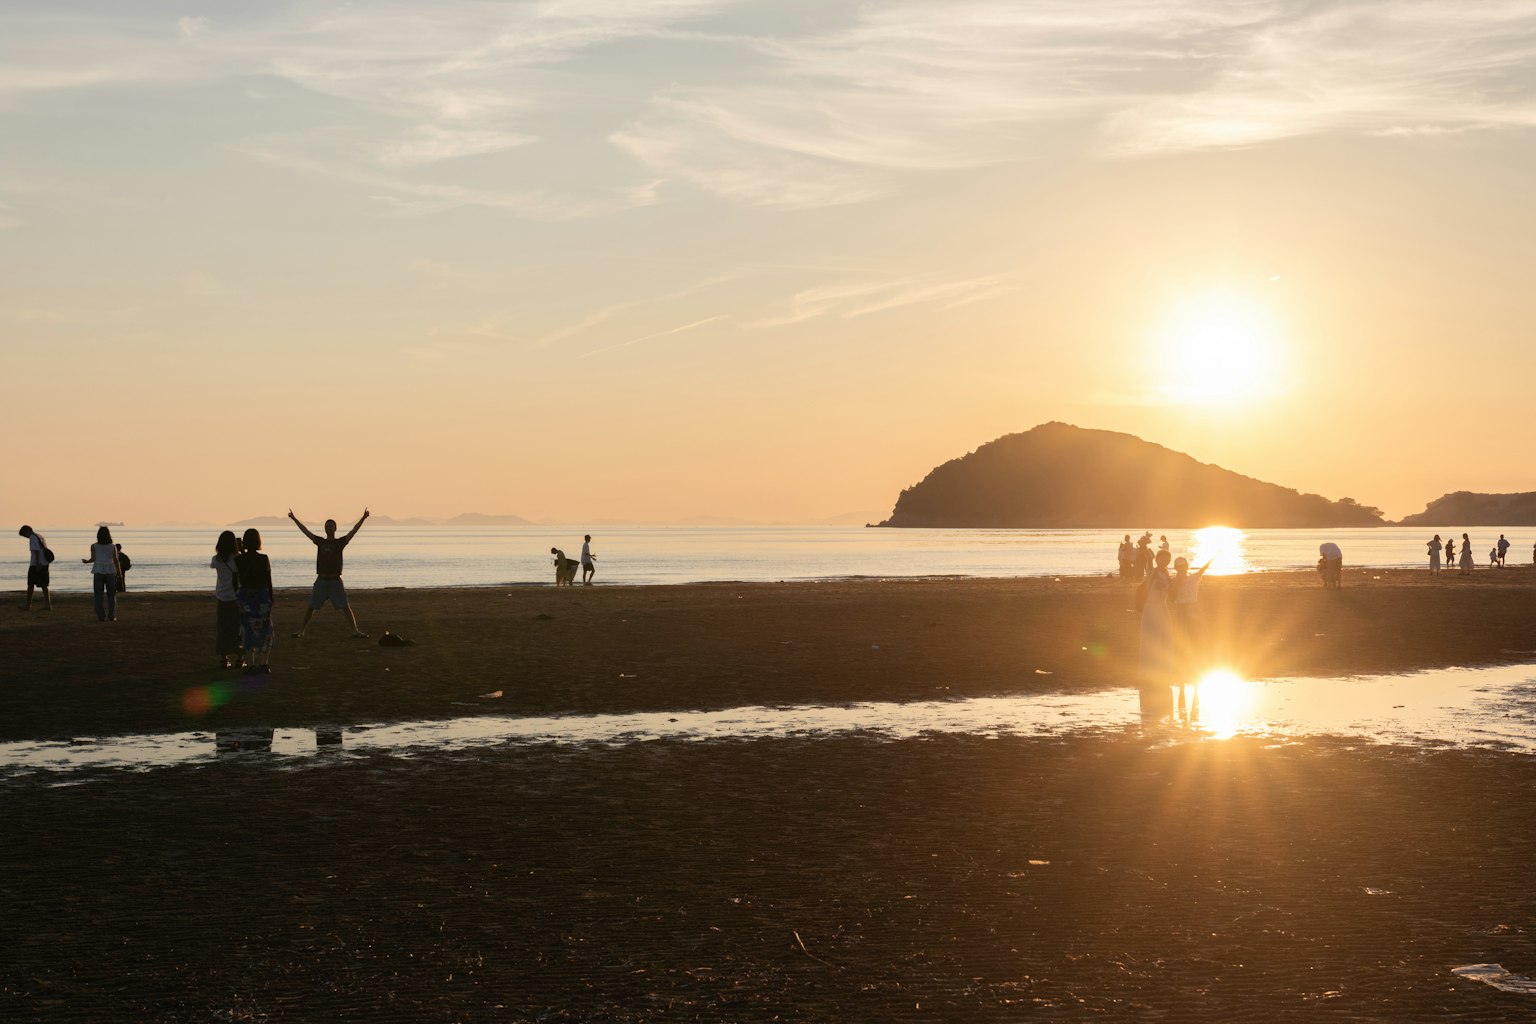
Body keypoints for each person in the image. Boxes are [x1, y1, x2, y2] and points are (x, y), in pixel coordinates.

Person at [288, 508, 369, 639]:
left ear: (335, 528)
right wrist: (294, 518)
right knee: (311, 607)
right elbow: (306, 532)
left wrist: (363, 518)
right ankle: (301, 631)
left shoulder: (340, 543)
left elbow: (353, 531)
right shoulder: (320, 542)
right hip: (322, 580)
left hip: (335, 581)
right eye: (327, 526)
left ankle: (355, 631)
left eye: (331, 526)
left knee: (345, 607)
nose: (329, 528)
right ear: (325, 529)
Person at [1138, 548, 1176, 717]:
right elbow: (1147, 560)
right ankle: (1149, 670)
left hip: (1163, 608)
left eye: (1167, 560)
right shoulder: (1152, 570)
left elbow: (1171, 591)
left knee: (1165, 639)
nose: (1165, 562)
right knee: (1151, 639)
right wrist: (1147, 551)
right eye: (1163, 559)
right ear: (1158, 559)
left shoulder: (1166, 573)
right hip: (1152, 607)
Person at [233, 528, 274, 673]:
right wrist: (271, 599)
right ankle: (264, 663)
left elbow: (234, 582)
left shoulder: (238, 560)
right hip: (262, 596)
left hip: (245, 597)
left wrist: (239, 596)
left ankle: (250, 664)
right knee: (265, 630)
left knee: (248, 630)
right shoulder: (264, 559)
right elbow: (268, 582)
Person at [210, 530, 243, 670]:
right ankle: (240, 658)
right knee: (239, 629)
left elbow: (214, 566)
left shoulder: (216, 559)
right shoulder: (238, 558)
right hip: (236, 598)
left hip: (222, 597)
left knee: (223, 629)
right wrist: (240, 550)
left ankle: (224, 658)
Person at [82, 526, 122, 622]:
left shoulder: (94, 546)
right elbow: (115, 560)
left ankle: (101, 616)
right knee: (111, 595)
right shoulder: (112, 546)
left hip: (98, 570)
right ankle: (112, 615)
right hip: (110, 570)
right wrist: (119, 573)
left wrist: (86, 561)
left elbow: (93, 558)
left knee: (98, 595)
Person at [17, 525, 51, 611]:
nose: (26, 537)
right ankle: (47, 604)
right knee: (44, 585)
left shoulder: (32, 538)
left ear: (27, 531)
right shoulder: (39, 536)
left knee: (30, 584)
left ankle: (28, 605)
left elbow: (36, 552)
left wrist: (37, 563)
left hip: (36, 564)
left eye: (25, 535)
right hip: (44, 563)